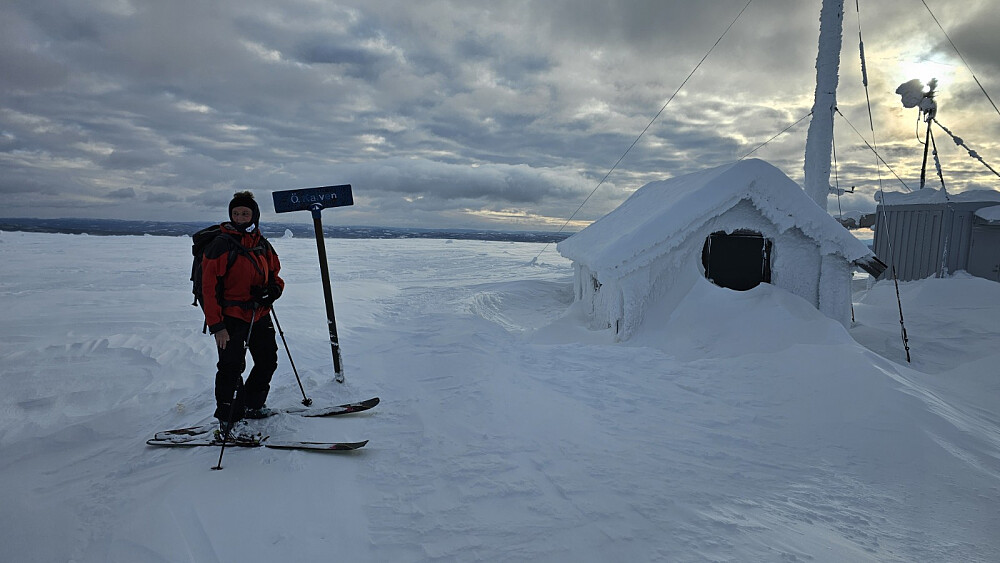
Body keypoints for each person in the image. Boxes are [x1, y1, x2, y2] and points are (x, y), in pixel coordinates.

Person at [201, 191, 284, 425]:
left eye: (245, 213)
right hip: (230, 319)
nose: (239, 217)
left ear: (254, 215)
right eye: (236, 213)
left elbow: (275, 276)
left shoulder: (262, 243)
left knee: (268, 360)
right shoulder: (220, 245)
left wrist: (273, 291)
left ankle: (252, 405)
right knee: (231, 369)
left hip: (260, 314)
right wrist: (217, 326)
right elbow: (209, 289)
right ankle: (229, 420)